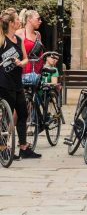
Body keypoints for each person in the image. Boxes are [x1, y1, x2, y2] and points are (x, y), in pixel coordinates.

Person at [0, 8, 41, 159]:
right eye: (17, 19)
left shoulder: (19, 40)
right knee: (6, 117)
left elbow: (25, 59)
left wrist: (20, 62)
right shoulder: (2, 39)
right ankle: (3, 148)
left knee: (23, 113)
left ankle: (24, 147)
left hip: (17, 82)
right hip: (4, 83)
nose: (19, 21)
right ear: (11, 23)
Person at [16, 9, 44, 75]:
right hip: (23, 73)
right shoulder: (19, 33)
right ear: (29, 19)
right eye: (38, 19)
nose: (40, 21)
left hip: (37, 73)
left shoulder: (38, 34)